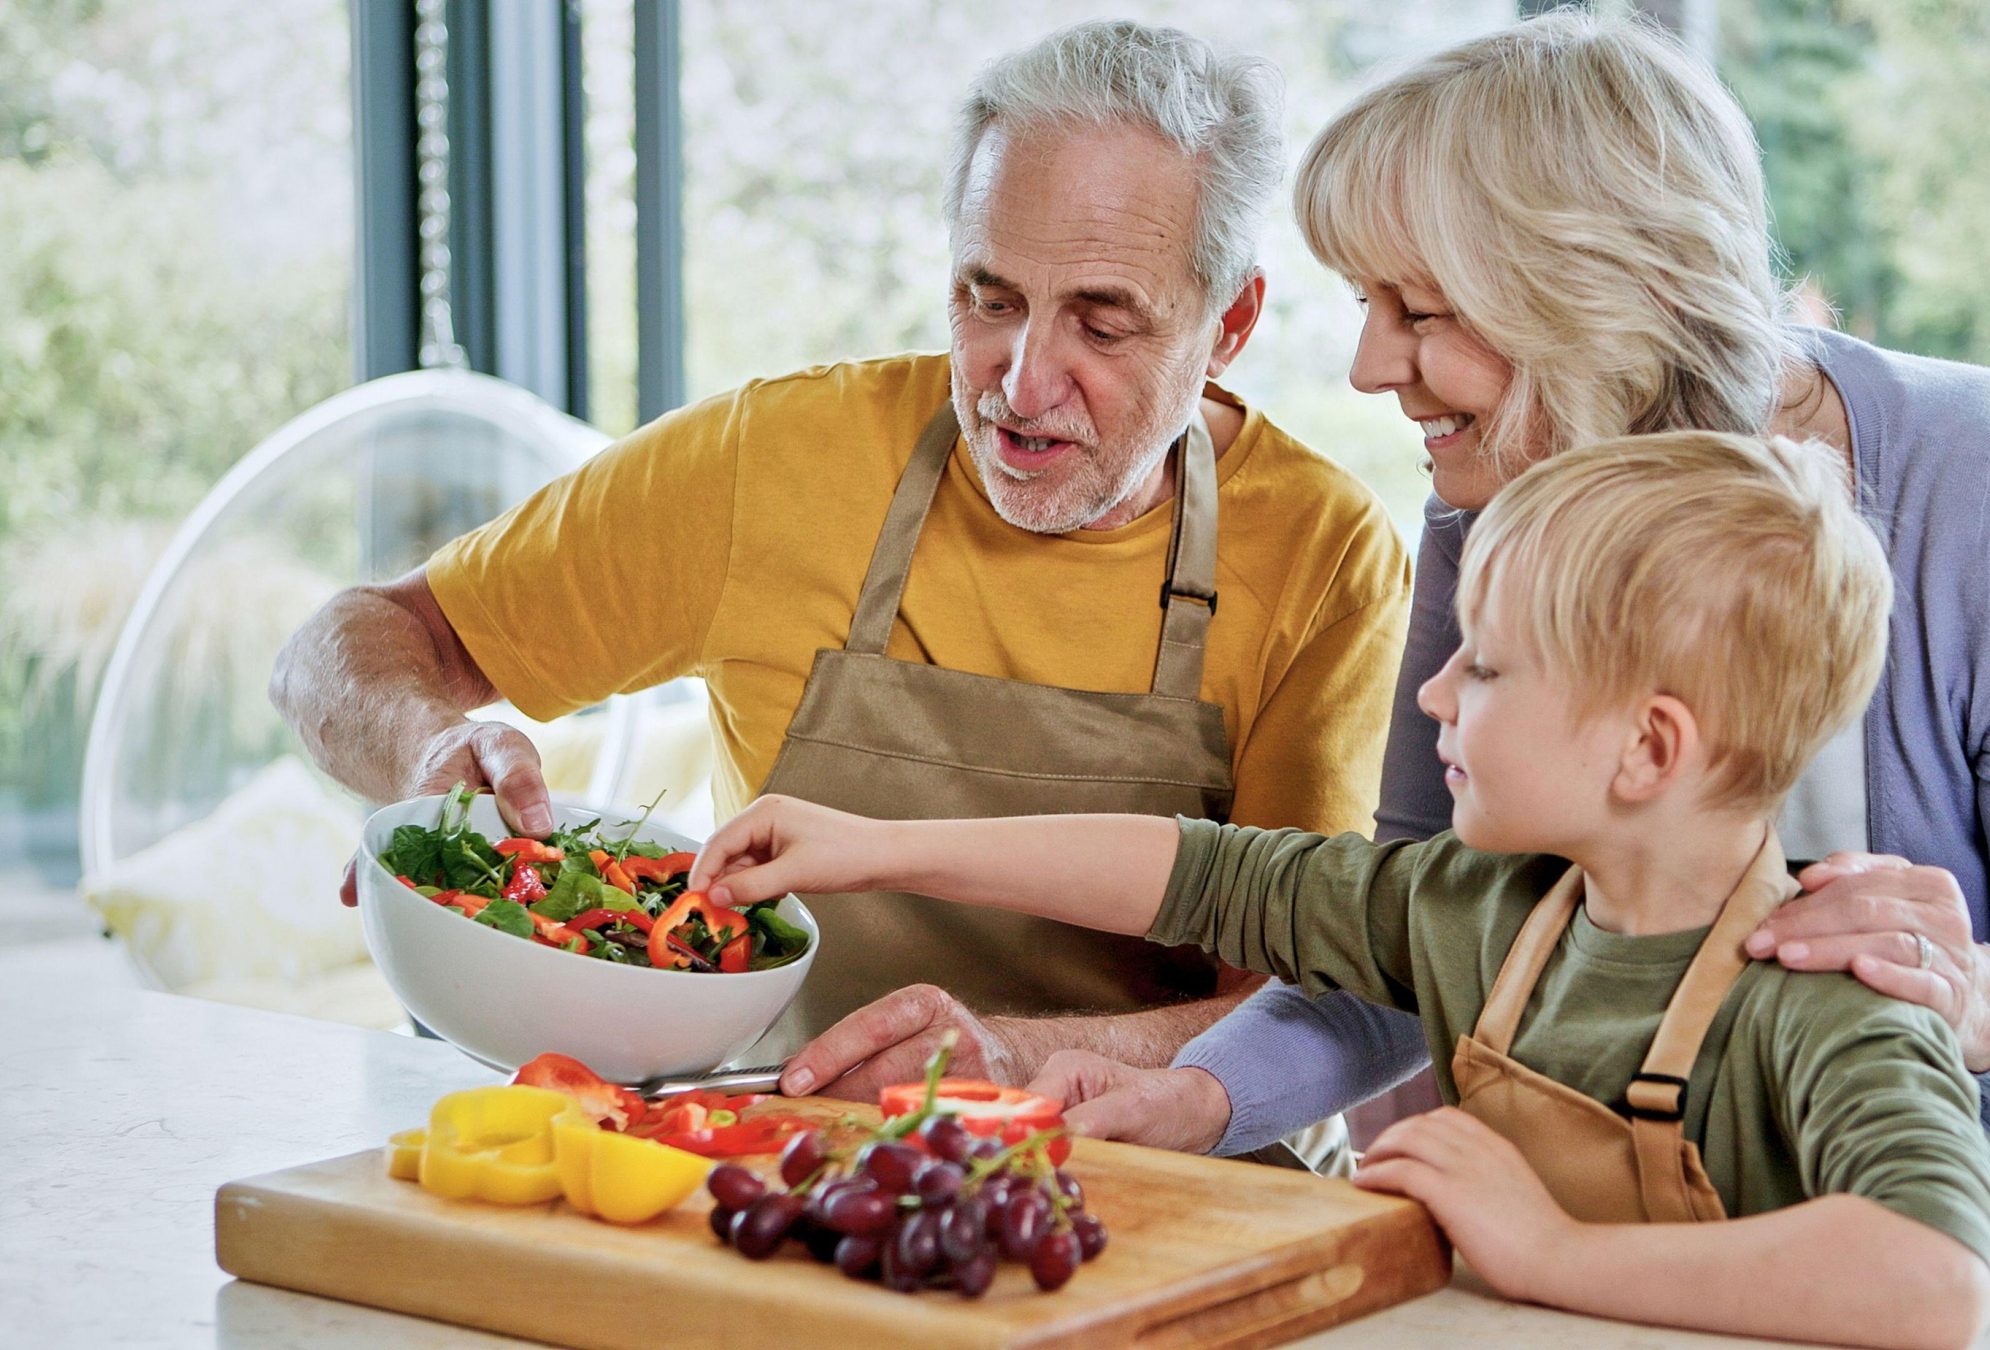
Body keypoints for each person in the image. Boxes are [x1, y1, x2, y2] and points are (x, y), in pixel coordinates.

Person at [1038, 14, 1990, 1344]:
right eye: (1365, 305)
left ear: (1590, 292)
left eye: (1422, 310)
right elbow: (1410, 933)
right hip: (1694, 1282)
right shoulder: (1499, 495)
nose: (1368, 364)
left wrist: (1978, 991)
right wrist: (1200, 1098)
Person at [270, 21, 1410, 1122]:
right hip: (785, 1154)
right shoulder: (774, 461)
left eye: (1100, 327)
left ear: (1229, 324)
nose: (1019, 384)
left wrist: (1018, 1059)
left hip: (1180, 1190)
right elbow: (346, 643)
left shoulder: (1323, 553)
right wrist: (422, 753)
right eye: (989, 298)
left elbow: (1317, 991)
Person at [691, 431, 1990, 1350]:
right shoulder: (1474, 909)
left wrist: (1548, 1249)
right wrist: (869, 845)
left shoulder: (1831, 1002)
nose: (1434, 695)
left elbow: (1933, 1279)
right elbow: (1193, 872)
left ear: (1646, 747)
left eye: (1485, 670)